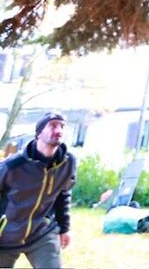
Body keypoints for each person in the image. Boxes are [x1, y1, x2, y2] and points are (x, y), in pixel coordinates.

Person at [0, 112, 76, 268]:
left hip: (41, 232)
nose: (59, 130)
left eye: (62, 126)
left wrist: (65, 228)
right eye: (53, 125)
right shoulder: (13, 166)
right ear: (39, 132)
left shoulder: (68, 162)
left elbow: (63, 194)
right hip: (6, 236)